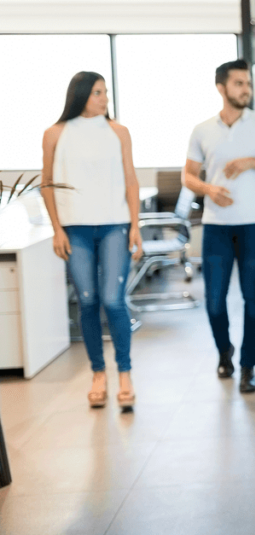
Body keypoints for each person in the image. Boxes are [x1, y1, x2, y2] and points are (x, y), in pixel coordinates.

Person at [181, 59, 255, 393]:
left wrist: (253, 163)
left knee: (253, 299)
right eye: (239, 83)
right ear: (222, 87)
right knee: (214, 301)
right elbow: (188, 176)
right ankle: (224, 351)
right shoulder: (202, 130)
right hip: (216, 226)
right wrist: (209, 189)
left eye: (248, 84)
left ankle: (248, 367)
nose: (246, 89)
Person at [40, 71, 144, 409]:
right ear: (81, 95)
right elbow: (48, 183)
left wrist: (135, 226)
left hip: (115, 225)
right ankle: (98, 372)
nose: (104, 98)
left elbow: (130, 180)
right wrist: (57, 229)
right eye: (98, 92)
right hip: (76, 230)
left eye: (106, 92)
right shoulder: (56, 134)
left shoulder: (119, 132)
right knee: (87, 300)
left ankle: (124, 373)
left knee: (113, 300)